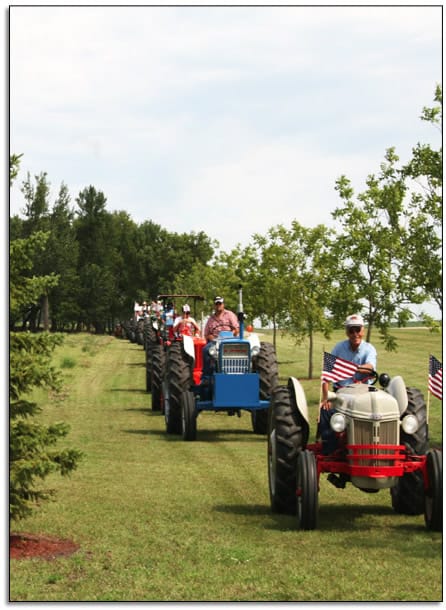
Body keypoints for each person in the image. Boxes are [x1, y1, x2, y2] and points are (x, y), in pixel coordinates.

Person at [319, 314, 377, 455]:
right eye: (351, 330)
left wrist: (353, 368)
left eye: (357, 329)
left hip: (365, 391)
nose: (355, 334)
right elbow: (326, 374)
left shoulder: (369, 349)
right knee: (326, 411)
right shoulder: (339, 348)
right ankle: (330, 450)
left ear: (363, 330)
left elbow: (370, 367)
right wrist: (325, 397)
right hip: (342, 392)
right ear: (346, 332)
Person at [201, 296, 239, 381]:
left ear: (223, 304)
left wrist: (229, 335)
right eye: (217, 304)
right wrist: (213, 338)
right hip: (216, 342)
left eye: (220, 303)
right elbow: (207, 334)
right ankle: (206, 377)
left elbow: (236, 329)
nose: (218, 305)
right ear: (214, 305)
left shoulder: (230, 314)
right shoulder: (211, 319)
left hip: (230, 340)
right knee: (206, 350)